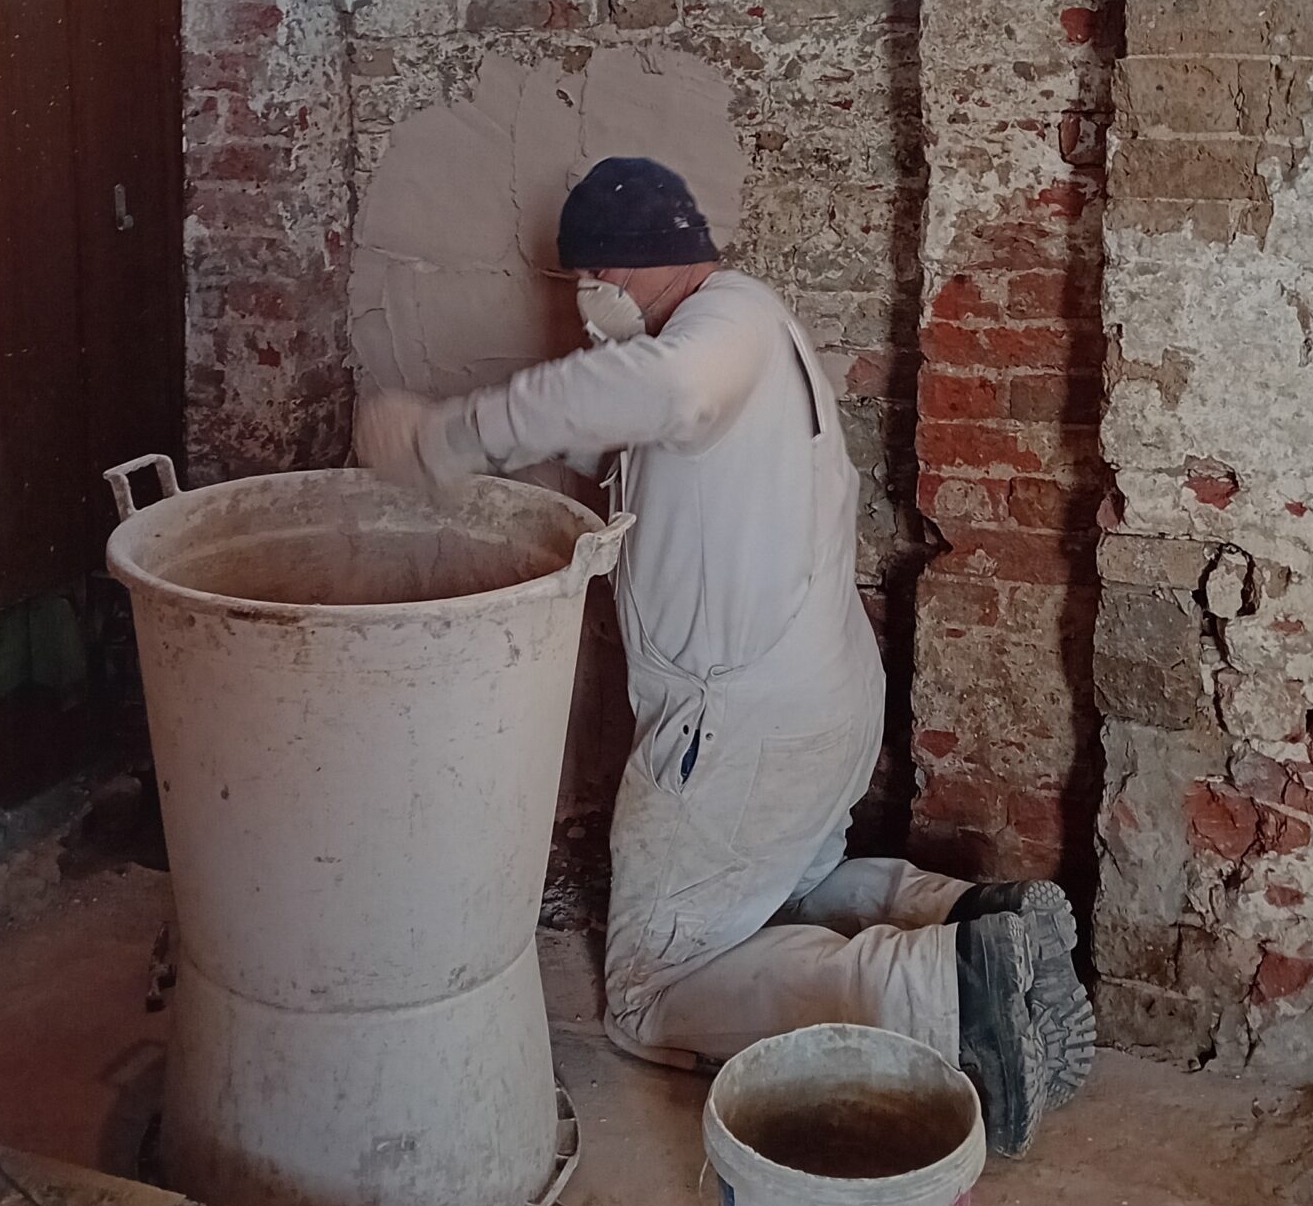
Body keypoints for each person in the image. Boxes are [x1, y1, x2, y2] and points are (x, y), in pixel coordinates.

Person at [356, 156, 1094, 1154]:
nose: (585, 299)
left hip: (738, 727)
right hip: (812, 701)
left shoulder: (708, 343)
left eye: (592, 277)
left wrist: (447, 438)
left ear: (631, 266)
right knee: (778, 893)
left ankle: (944, 996)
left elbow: (661, 391)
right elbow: (646, 435)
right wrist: (544, 450)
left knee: (651, 995)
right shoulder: (747, 321)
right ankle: (970, 918)